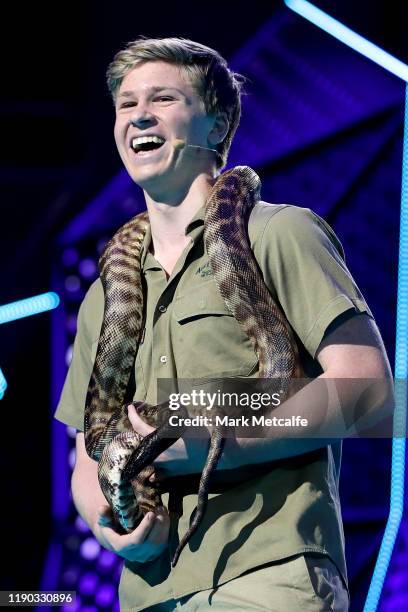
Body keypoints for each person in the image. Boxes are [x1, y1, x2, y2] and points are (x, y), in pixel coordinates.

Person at [54, 37, 392, 611]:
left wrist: (197, 433)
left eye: (162, 98)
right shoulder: (103, 294)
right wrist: (112, 524)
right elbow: (90, 451)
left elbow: (371, 395)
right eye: (126, 103)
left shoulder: (278, 233)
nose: (139, 114)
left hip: (268, 574)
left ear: (217, 126)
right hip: (148, 591)